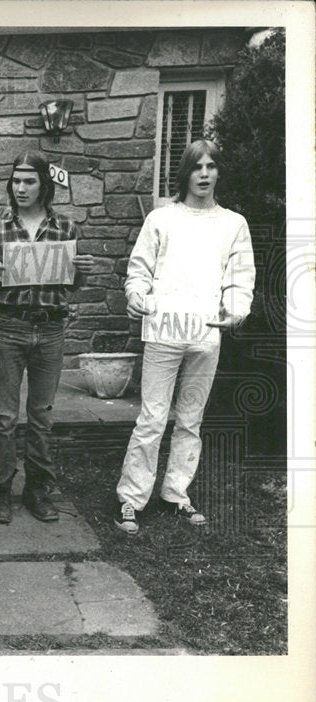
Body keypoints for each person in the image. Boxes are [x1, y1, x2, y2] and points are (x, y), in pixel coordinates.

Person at [114, 139, 255, 535]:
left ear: (219, 172)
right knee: (153, 416)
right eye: (197, 167)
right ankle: (131, 497)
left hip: (206, 334)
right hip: (164, 330)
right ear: (185, 173)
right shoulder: (162, 218)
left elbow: (239, 278)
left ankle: (176, 492)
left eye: (211, 166)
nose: (205, 174)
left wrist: (235, 311)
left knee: (190, 419)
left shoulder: (233, 224)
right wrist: (136, 295)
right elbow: (139, 268)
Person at [0, 150, 94, 526]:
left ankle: (38, 490)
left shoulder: (66, 229)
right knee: (5, 417)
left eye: (29, 181)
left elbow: (72, 285)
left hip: (51, 327)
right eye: (16, 181)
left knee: (41, 415)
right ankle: (0, 492)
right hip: (9, 325)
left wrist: (83, 271)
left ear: (44, 184)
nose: (21, 187)